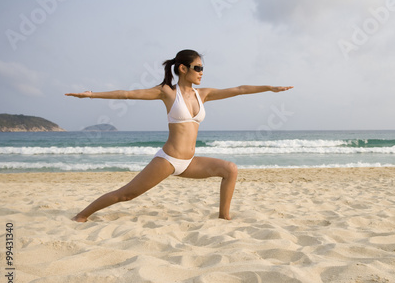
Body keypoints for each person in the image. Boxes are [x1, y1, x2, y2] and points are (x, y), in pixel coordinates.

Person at [65, 49, 293, 222]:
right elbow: (126, 94)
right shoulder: (167, 92)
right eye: (198, 68)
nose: (202, 72)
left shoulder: (203, 94)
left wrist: (269, 88)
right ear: (183, 69)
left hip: (190, 162)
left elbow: (240, 89)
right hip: (168, 160)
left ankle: (224, 219)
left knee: (230, 169)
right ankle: (81, 216)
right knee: (126, 195)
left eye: (203, 68)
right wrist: (91, 95)